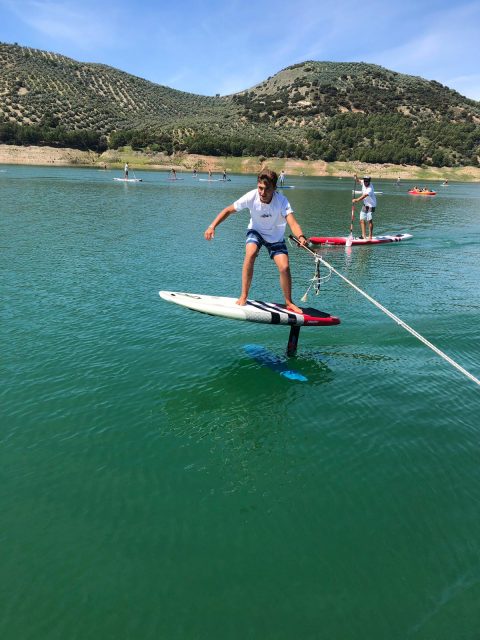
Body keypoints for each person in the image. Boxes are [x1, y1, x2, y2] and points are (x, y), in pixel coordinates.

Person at [204, 169, 307, 313]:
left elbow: (293, 223)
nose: (262, 193)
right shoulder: (251, 196)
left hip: (275, 237)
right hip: (256, 232)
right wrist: (212, 226)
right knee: (250, 254)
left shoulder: (282, 201)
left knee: (284, 267)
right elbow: (228, 210)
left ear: (274, 188)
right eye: (260, 188)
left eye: (267, 189)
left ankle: (289, 302)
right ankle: (244, 295)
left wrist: (301, 236)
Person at [352, 174, 376, 240]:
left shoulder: (370, 188)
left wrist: (356, 200)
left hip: (371, 205)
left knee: (369, 220)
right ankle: (363, 236)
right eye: (365, 181)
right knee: (362, 220)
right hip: (365, 205)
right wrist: (356, 177)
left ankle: (370, 236)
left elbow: (364, 195)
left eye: (367, 181)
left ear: (369, 181)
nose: (365, 182)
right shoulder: (363, 182)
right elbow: (358, 181)